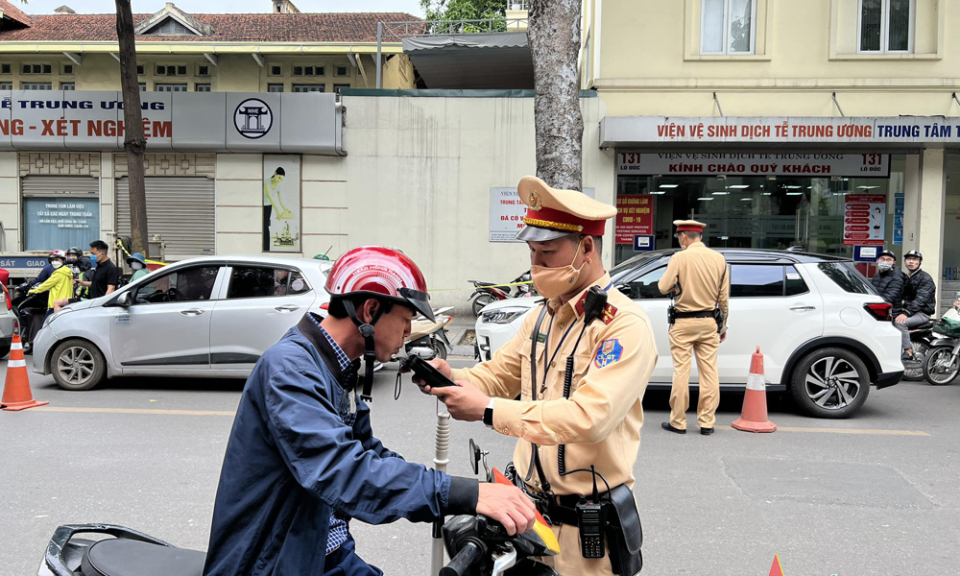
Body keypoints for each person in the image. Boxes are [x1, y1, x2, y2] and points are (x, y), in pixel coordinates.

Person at [203, 246, 536, 576]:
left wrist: (461, 491)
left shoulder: (336, 368)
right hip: (273, 561)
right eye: (405, 319)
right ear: (370, 310)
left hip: (324, 549)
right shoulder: (291, 369)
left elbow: (367, 452)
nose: (408, 333)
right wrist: (464, 494)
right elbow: (342, 470)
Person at [417, 176, 657, 576]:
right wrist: (455, 378)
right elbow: (502, 373)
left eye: (547, 252)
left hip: (586, 534)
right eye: (531, 252)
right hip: (527, 516)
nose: (536, 265)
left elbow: (590, 418)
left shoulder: (623, 325)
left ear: (586, 247)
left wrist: (489, 411)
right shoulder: (543, 315)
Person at [657, 220, 729, 436]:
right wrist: (722, 326)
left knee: (681, 371)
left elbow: (662, 287)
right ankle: (707, 422)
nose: (679, 241)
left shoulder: (679, 258)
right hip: (709, 322)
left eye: (679, 237)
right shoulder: (719, 259)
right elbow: (723, 299)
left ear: (684, 237)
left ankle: (678, 422)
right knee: (709, 372)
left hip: (683, 322)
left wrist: (677, 284)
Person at [896, 250, 937, 361]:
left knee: (900, 323)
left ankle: (907, 351)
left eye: (915, 259)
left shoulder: (925, 278)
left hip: (922, 313)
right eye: (909, 259)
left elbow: (921, 299)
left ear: (920, 262)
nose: (911, 262)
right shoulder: (907, 277)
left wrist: (906, 312)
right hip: (910, 310)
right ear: (905, 261)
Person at [28, 250, 73, 318]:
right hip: (66, 303)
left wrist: (32, 291)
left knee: (46, 325)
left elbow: (46, 284)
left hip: (55, 304)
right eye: (53, 260)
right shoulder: (68, 272)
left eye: (57, 260)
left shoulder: (58, 273)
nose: (54, 262)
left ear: (63, 261)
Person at [871, 250, 904, 320]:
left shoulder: (897, 277)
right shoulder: (878, 274)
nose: (885, 262)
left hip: (890, 313)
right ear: (877, 260)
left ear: (894, 262)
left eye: (889, 260)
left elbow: (888, 298)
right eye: (882, 259)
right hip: (878, 310)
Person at [263, 167, 291, 251]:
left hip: (269, 206)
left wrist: (285, 209)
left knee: (266, 226)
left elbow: (280, 200)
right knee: (263, 226)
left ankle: (266, 248)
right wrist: (277, 211)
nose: (279, 181)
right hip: (261, 206)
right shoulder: (267, 181)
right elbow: (269, 197)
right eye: (279, 178)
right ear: (275, 173)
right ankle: (264, 247)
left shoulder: (278, 186)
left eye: (281, 180)